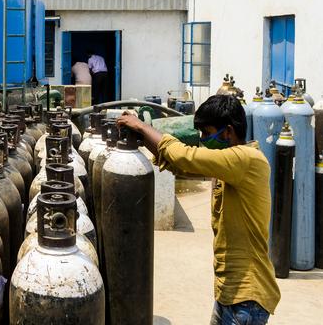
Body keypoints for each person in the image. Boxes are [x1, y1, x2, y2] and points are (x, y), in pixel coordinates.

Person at [117, 95, 280, 325]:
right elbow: (178, 164)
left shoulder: (247, 160)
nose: (203, 140)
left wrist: (143, 126)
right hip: (229, 293)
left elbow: (184, 156)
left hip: (246, 297)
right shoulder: (228, 164)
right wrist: (143, 138)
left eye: (207, 133)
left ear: (228, 132)